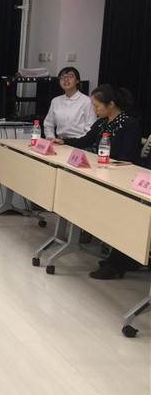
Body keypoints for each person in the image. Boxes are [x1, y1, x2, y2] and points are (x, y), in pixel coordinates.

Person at [50, 84, 143, 279]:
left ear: (111, 104)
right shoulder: (102, 123)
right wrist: (64, 141)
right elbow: (85, 140)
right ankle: (121, 260)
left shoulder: (130, 124)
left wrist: (105, 166)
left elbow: (128, 158)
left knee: (120, 218)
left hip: (124, 180)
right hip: (103, 174)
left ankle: (118, 263)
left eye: (97, 106)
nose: (94, 110)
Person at [43, 67, 96, 138]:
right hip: (60, 141)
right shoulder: (55, 101)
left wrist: (79, 142)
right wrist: (51, 139)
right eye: (62, 77)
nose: (66, 79)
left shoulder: (87, 101)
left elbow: (90, 128)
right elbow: (48, 124)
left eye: (70, 76)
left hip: (79, 141)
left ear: (77, 80)